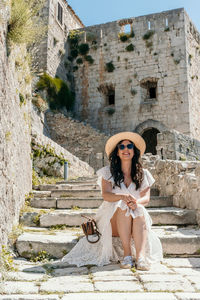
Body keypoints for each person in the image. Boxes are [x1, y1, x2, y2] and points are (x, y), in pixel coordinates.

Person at [62, 132, 163, 270]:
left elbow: (146, 198)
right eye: (122, 147)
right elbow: (106, 195)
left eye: (129, 146)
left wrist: (136, 202)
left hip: (136, 217)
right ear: (117, 152)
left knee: (137, 209)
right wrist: (122, 197)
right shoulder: (107, 172)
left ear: (134, 150)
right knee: (122, 207)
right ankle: (127, 255)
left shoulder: (143, 174)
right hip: (112, 218)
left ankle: (140, 257)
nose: (126, 149)